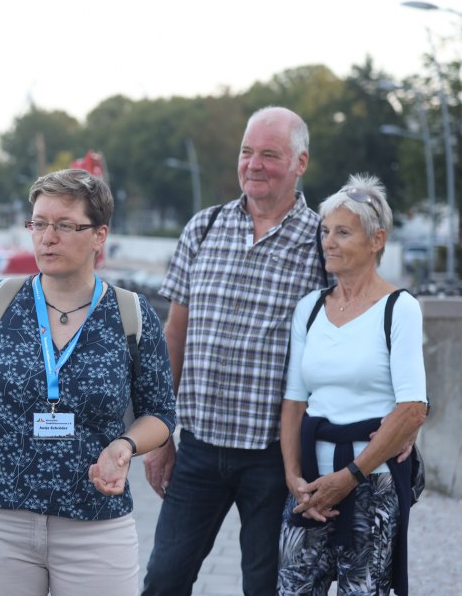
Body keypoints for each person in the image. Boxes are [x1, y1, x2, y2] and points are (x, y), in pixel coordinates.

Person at [0, 168, 176, 596]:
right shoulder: (1, 301)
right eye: (38, 223)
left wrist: (124, 446)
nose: (46, 237)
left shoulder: (131, 313)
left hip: (95, 520)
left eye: (64, 225)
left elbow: (160, 413)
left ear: (99, 235)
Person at [142, 106, 328, 595]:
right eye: (247, 152)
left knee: (264, 587)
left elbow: (351, 332)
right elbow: (173, 336)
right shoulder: (204, 227)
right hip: (199, 449)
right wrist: (161, 435)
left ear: (300, 163)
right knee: (164, 579)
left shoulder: (321, 242)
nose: (254, 164)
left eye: (270, 154)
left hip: (274, 457)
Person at [278, 174, 427, 595]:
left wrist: (349, 478)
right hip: (309, 482)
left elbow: (413, 407)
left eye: (343, 232)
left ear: (377, 240)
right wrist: (293, 477)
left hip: (372, 483)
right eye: (325, 231)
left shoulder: (399, 309)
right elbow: (294, 401)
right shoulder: (309, 308)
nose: (329, 241)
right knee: (292, 589)